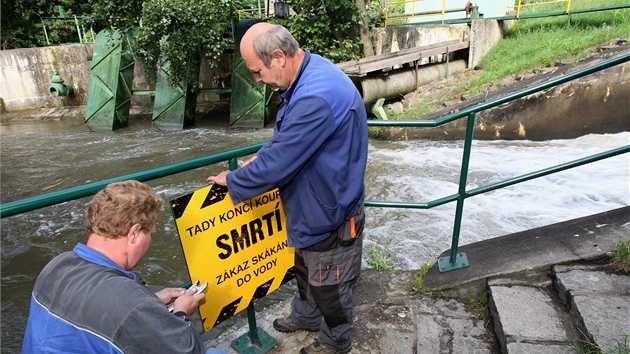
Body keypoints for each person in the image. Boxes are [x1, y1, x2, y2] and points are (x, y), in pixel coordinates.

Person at [207, 23, 368, 354]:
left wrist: (235, 180)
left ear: (278, 57)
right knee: (306, 270)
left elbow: (280, 163)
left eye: (257, 70)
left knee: (330, 286)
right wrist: (261, 157)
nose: (256, 79)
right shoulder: (311, 72)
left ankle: (336, 341)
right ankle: (307, 316)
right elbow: (289, 140)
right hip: (316, 204)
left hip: (329, 212)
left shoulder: (314, 96)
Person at [22, 180, 226, 354]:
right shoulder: (130, 304)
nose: (151, 241)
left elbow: (95, 311)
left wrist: (150, 301)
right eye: (151, 234)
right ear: (134, 232)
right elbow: (188, 350)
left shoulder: (56, 265)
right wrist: (180, 313)